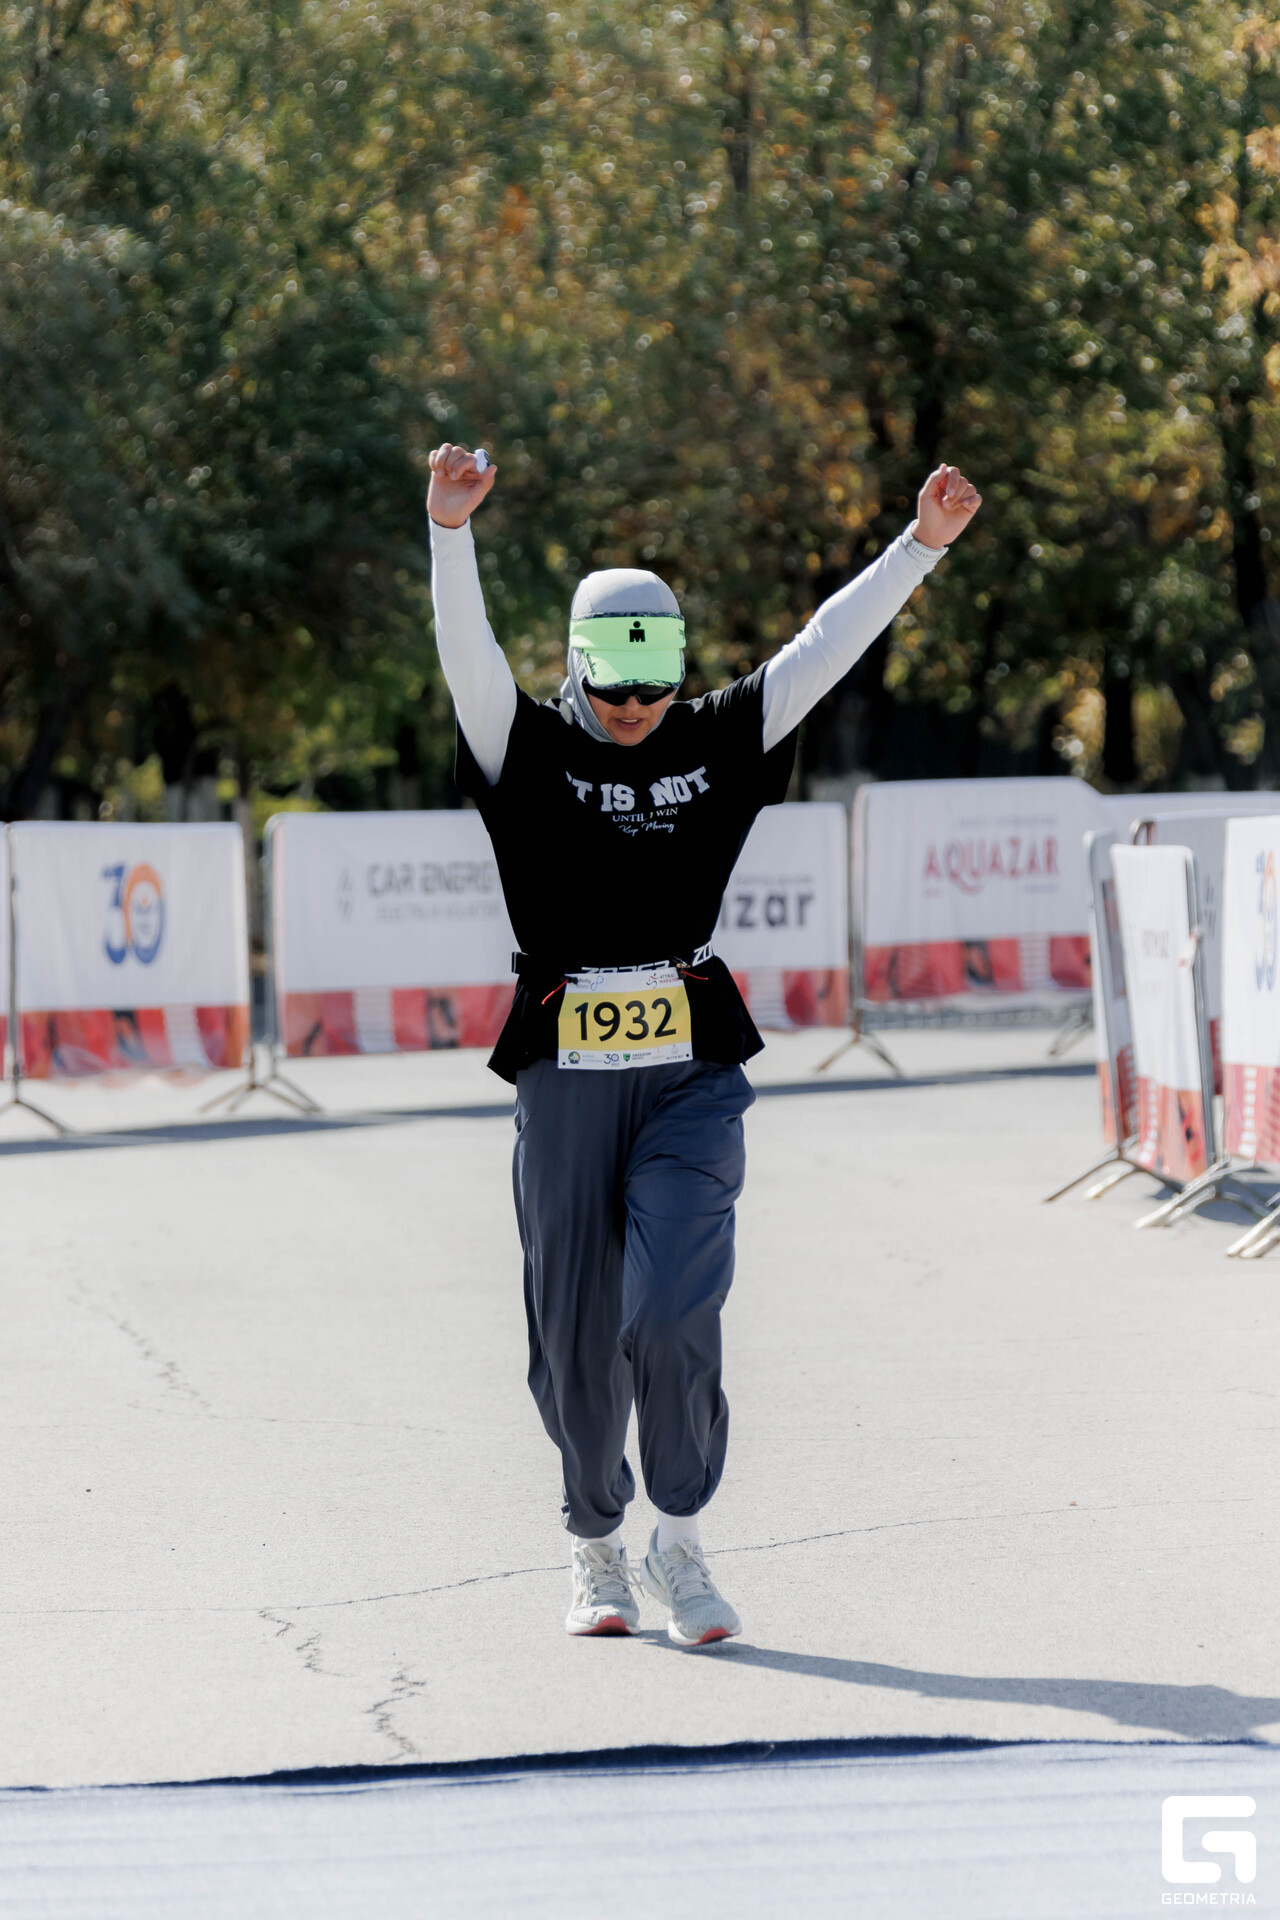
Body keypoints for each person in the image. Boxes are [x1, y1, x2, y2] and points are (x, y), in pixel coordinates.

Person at [428, 443, 981, 1646]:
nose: (634, 709)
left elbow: (823, 649)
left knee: (675, 1303)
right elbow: (466, 658)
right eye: (612, 688)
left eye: (654, 685)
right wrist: (450, 533)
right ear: (576, 669)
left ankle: (677, 1541)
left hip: (688, 1065)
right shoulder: (524, 746)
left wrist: (920, 546)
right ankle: (594, 1543)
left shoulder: (716, 736)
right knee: (574, 1336)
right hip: (566, 1069)